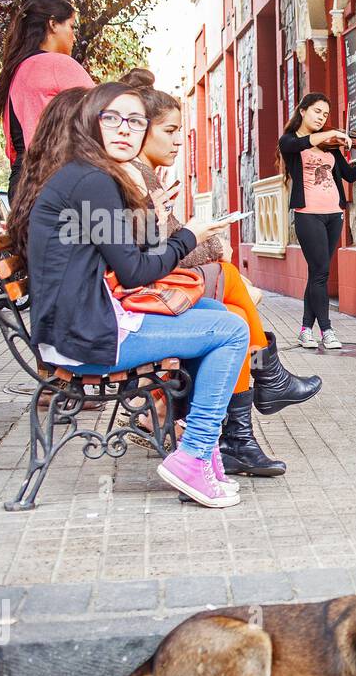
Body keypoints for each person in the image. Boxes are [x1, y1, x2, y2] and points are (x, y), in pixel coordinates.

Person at [7, 81, 243, 508]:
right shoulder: (93, 181)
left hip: (73, 329)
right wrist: (189, 235)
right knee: (231, 330)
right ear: (89, 123)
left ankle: (202, 451)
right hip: (84, 339)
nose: (125, 129)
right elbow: (134, 271)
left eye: (135, 121)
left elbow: (128, 258)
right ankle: (194, 454)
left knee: (209, 308)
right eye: (112, 118)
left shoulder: (82, 175)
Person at [118, 69, 322, 477]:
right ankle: (259, 394)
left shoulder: (140, 175)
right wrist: (207, 243)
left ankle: (246, 422)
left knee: (233, 301)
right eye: (170, 131)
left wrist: (202, 241)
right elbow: (156, 250)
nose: (178, 142)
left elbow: (162, 240)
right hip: (138, 301)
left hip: (144, 291)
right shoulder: (133, 176)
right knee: (231, 293)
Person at [277, 92, 356, 350]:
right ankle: (327, 330)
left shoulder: (330, 147)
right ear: (303, 110)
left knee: (317, 274)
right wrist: (332, 134)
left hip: (334, 215)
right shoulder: (290, 142)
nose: (322, 117)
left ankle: (306, 330)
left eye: (326, 114)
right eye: (317, 111)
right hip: (308, 215)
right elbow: (302, 143)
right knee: (321, 273)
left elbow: (350, 174)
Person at [0, 0, 95, 199]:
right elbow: (106, 114)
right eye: (71, 26)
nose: (74, 36)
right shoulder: (57, 64)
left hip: (21, 182)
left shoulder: (16, 70)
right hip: (54, 177)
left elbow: (14, 147)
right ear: (53, 24)